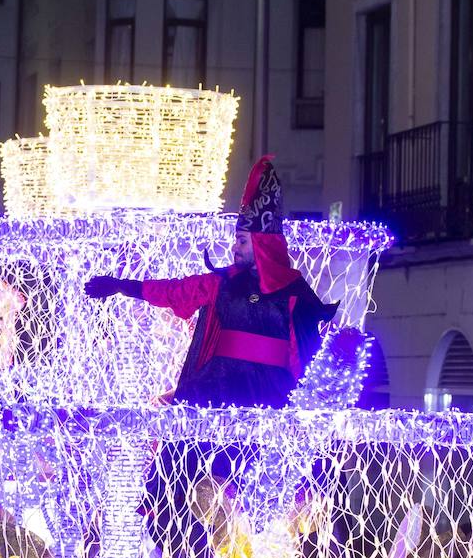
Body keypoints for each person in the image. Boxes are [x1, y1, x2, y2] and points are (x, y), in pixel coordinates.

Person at [83, 155, 336, 409]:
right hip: (217, 390)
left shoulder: (293, 290)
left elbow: (309, 348)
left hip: (269, 395)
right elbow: (174, 291)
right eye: (237, 240)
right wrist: (121, 286)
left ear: (263, 245)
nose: (235, 247)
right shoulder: (223, 282)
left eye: (242, 241)